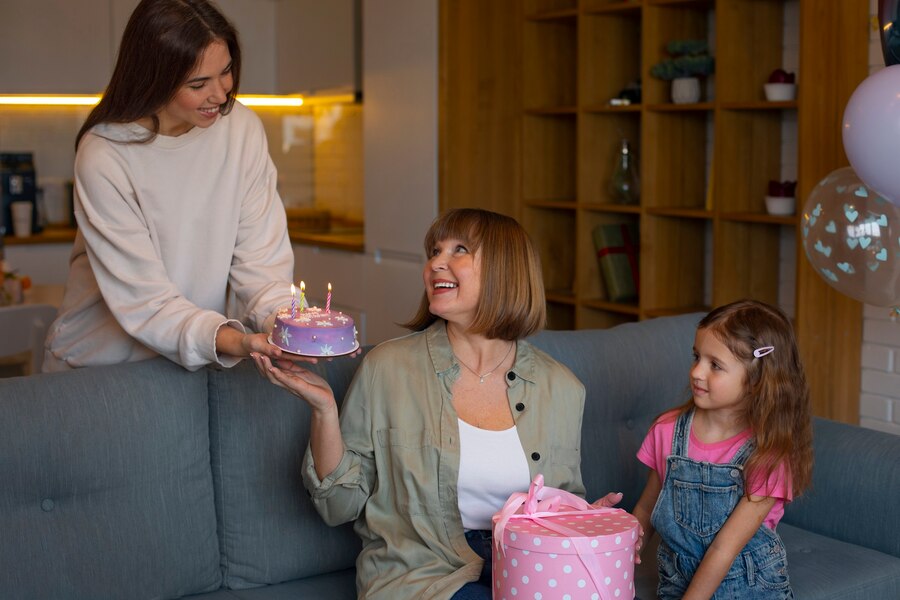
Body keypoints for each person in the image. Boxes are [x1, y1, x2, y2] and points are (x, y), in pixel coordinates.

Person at [253, 208, 621, 600]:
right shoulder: (387, 369)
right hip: (423, 576)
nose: (435, 264)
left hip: (528, 565)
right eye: (434, 251)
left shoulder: (561, 388)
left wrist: (586, 518)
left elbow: (561, 506)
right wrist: (324, 410)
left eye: (459, 250)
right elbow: (338, 506)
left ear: (505, 270)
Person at [43, 0, 296, 372]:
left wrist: (281, 323)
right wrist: (236, 341)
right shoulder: (105, 155)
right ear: (154, 78)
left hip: (193, 359)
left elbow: (262, 264)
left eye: (226, 72)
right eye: (198, 84)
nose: (221, 94)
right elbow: (147, 302)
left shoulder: (240, 130)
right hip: (101, 368)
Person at [631, 299, 813, 599]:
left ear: (757, 380)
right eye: (696, 357)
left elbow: (723, 548)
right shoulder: (666, 430)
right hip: (678, 581)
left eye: (715, 365)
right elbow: (646, 508)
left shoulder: (768, 456)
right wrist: (612, 555)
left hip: (749, 589)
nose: (697, 372)